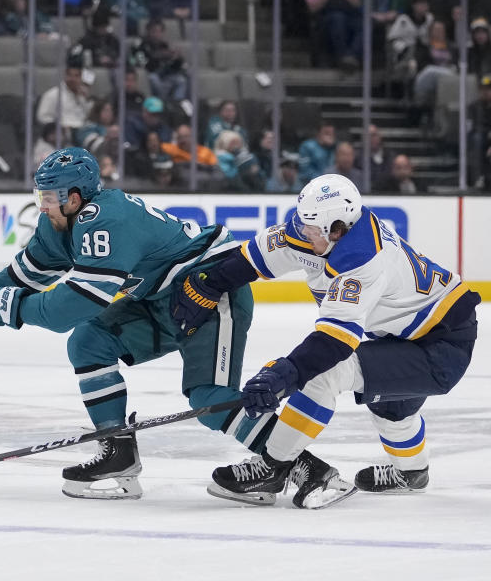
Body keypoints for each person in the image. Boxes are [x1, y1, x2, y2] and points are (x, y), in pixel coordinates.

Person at [0, 148, 343, 505]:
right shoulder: (57, 223)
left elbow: (69, 307)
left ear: (76, 196)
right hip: (159, 301)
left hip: (210, 292)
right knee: (90, 342)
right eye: (40, 195)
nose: (42, 204)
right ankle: (118, 452)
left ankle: (308, 468)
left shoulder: (106, 219)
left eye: (50, 196)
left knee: (209, 399)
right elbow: (19, 278)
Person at [169, 174, 480, 504]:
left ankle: (272, 468)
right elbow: (253, 258)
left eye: (311, 228)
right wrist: (211, 283)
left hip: (443, 346)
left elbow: (336, 340)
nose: (302, 232)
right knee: (391, 407)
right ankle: (412, 473)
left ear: (338, 229)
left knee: (324, 374)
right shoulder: (317, 233)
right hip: (405, 336)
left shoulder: (363, 260)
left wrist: (286, 373)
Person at [305, 0, 362, 70]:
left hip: (347, 17)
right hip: (324, 20)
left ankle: (351, 55)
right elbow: (312, 8)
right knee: (338, 18)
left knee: (364, 24)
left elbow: (357, 5)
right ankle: (342, 56)